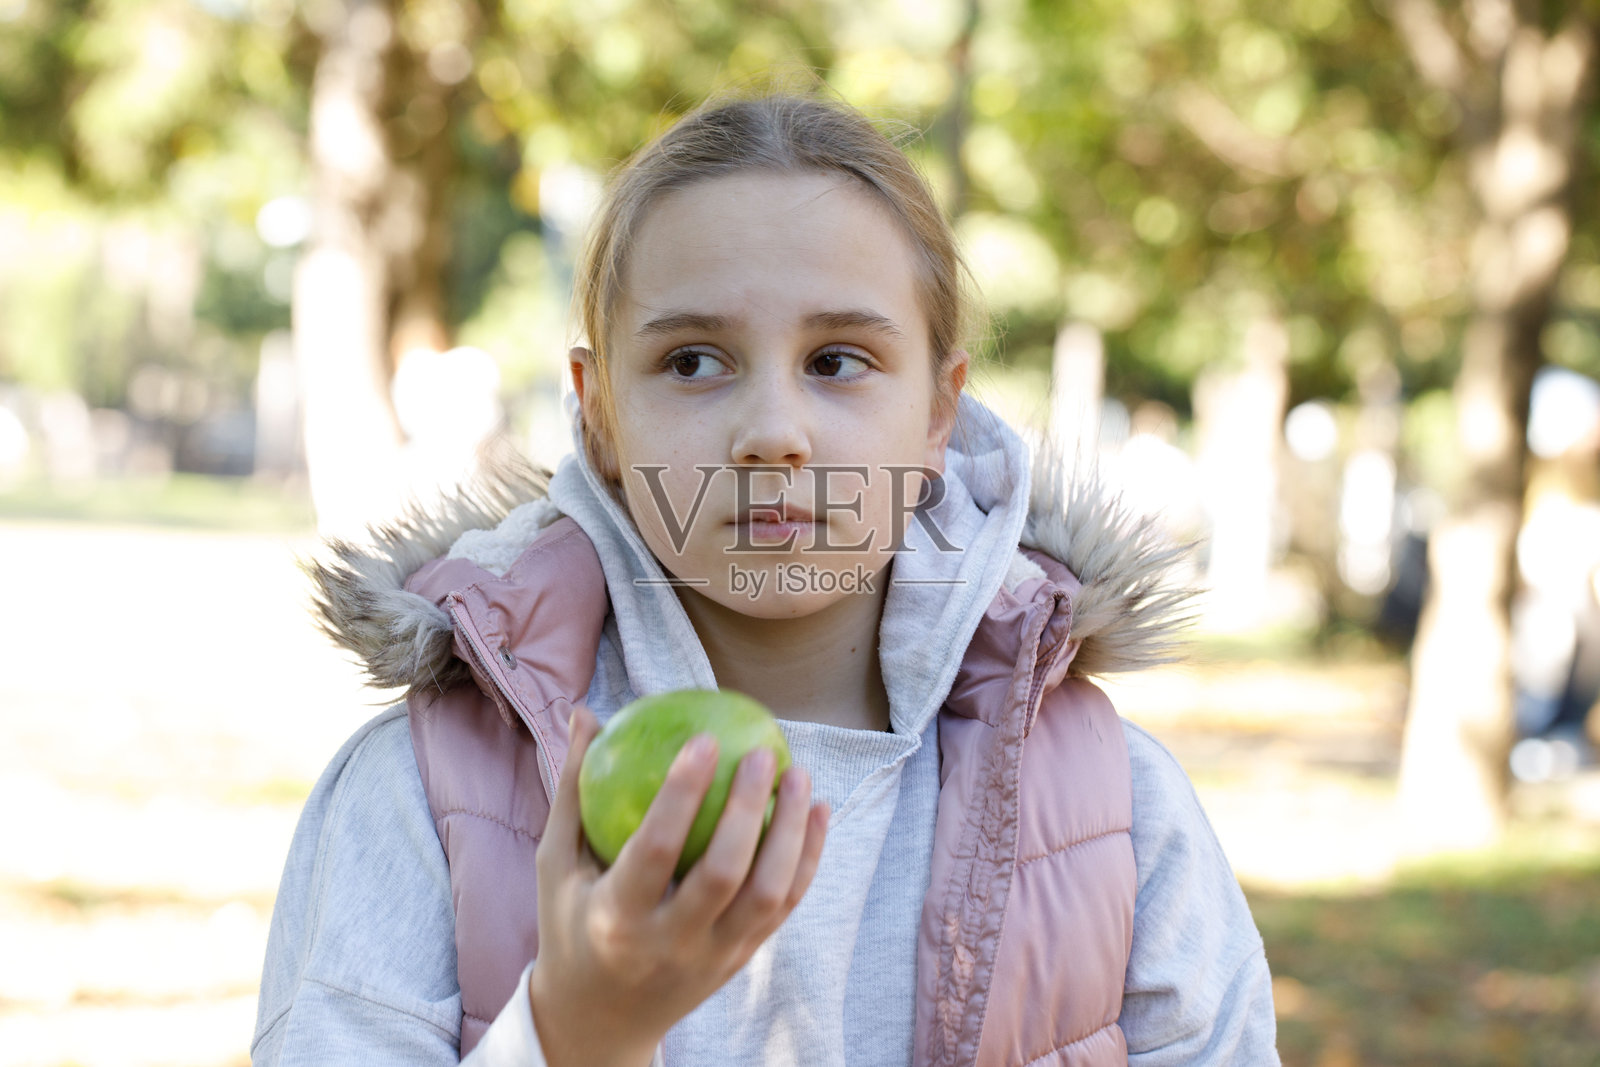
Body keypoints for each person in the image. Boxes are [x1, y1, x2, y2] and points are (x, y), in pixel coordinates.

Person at [253, 91, 1280, 1066]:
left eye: (837, 360)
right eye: (694, 361)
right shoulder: (426, 795)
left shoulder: (1111, 804)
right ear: (598, 412)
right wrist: (577, 1032)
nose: (771, 435)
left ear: (937, 413)